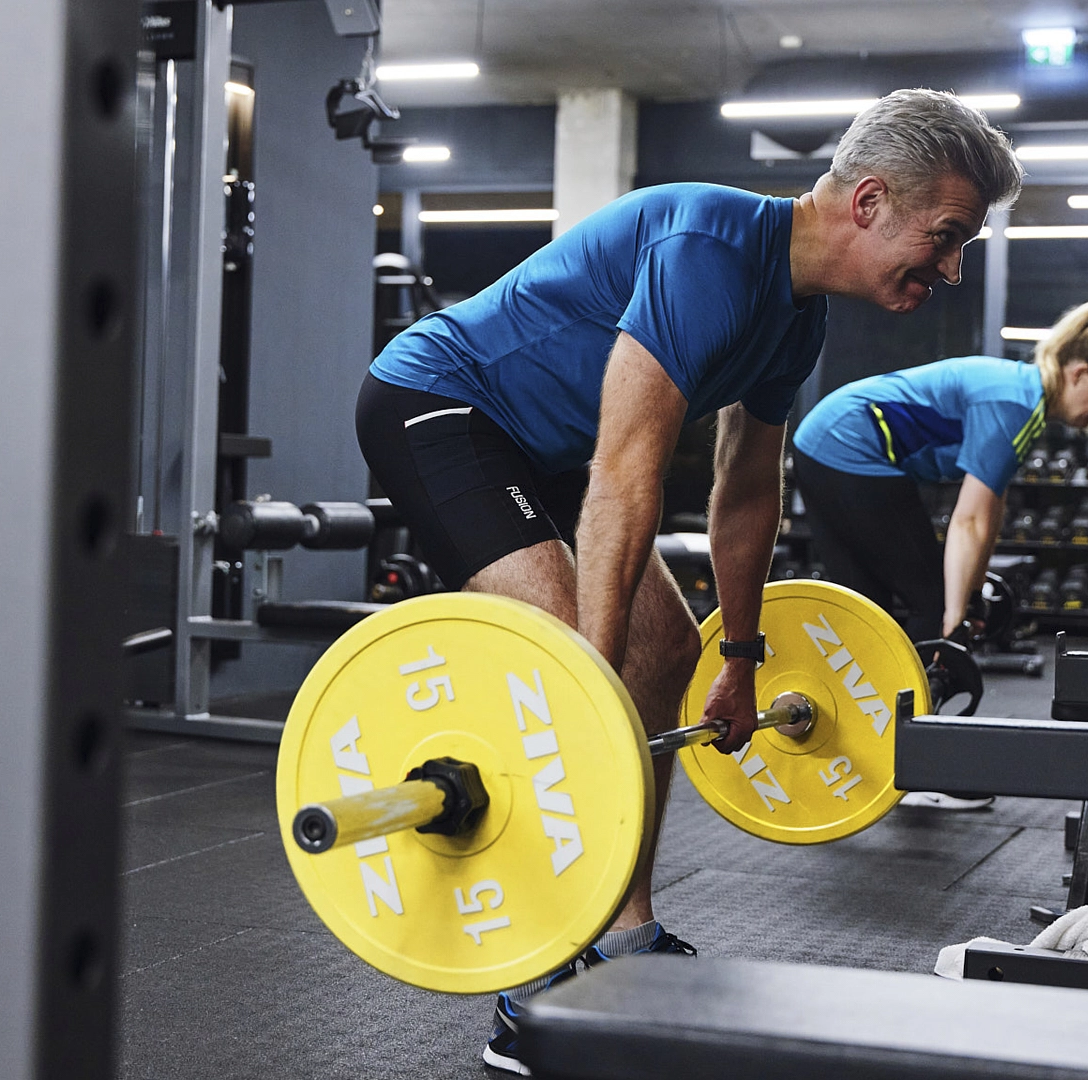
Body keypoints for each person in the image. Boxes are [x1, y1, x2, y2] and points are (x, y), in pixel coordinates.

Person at [355, 89, 1022, 1075]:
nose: (953, 267)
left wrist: (740, 658)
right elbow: (627, 470)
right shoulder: (709, 252)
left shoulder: (797, 325)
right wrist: (582, 666)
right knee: (570, 663)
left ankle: (621, 934)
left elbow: (746, 490)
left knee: (665, 648)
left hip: (544, 445)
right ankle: (532, 983)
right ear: (870, 202)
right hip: (440, 405)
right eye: (949, 235)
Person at [792, 300, 1088, 647]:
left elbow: (990, 511)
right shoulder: (1015, 405)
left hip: (820, 442)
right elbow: (968, 521)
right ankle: (919, 697)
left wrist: (973, 591)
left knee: (866, 609)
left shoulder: (1025, 399)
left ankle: (864, 700)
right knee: (931, 602)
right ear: (1078, 373)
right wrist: (953, 618)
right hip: (848, 446)